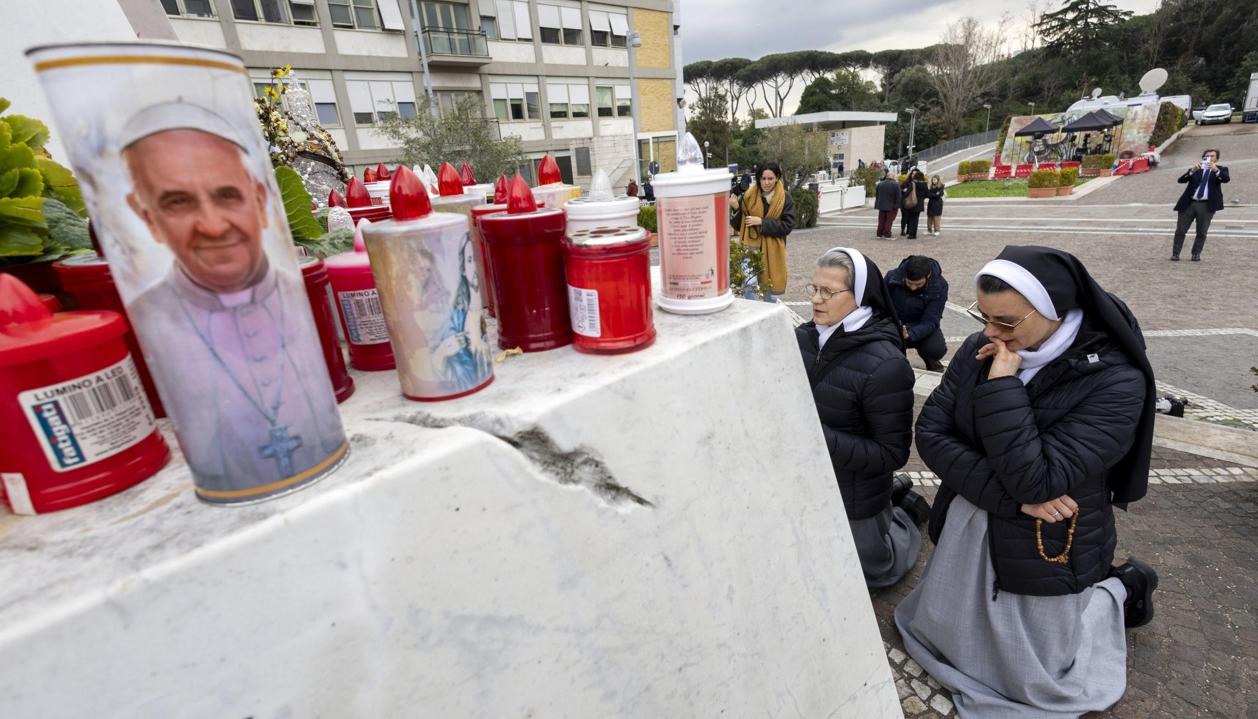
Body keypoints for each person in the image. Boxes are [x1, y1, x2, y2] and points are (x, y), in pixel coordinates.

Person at [895, 245, 1159, 717]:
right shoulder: (986, 346)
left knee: (1028, 667)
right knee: (950, 626)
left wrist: (1001, 387)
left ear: (1055, 311)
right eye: (985, 316)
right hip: (982, 516)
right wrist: (1009, 500)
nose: (991, 332)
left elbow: (1037, 481)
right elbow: (931, 434)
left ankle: (1125, 588)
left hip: (1046, 542)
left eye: (1008, 323)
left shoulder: (1117, 382)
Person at [122, 103, 346, 495]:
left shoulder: (298, 293)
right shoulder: (145, 318)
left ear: (260, 201)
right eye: (178, 202)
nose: (212, 225)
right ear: (147, 217)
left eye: (228, 195)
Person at [796, 247, 927, 588]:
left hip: (855, 493)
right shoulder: (802, 338)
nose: (816, 300)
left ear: (859, 295)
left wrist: (818, 437)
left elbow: (892, 454)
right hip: (806, 481)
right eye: (813, 289)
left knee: (874, 574)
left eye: (828, 292)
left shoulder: (886, 366)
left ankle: (901, 515)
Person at [730, 162, 795, 300]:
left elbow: (787, 226)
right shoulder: (749, 196)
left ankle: (769, 316)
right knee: (749, 284)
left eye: (770, 178)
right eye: (763, 178)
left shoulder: (785, 198)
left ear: (777, 178)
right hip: (750, 249)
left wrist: (762, 222)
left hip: (773, 251)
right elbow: (739, 226)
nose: (766, 182)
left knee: (769, 293)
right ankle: (753, 314)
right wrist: (736, 208)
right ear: (758, 179)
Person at [885, 255, 949, 372]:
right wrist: (895, 326)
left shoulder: (940, 286)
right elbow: (882, 306)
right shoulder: (892, 277)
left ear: (928, 276)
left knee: (935, 349)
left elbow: (931, 320)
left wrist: (910, 333)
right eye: (909, 283)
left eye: (918, 284)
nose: (913, 288)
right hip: (895, 323)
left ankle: (931, 360)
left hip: (921, 324)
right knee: (888, 353)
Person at [1170, 148, 1230, 261]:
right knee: (1180, 230)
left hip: (1206, 205)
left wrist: (1216, 170)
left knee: (1202, 232)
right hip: (1189, 203)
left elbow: (1226, 179)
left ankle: (1196, 253)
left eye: (1212, 156)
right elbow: (1181, 180)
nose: (1210, 158)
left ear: (1216, 158)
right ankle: (1175, 253)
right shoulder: (1196, 169)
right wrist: (1192, 171)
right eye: (1207, 156)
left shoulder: (1221, 169)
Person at [900, 168, 928, 239]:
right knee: (916, 219)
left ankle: (911, 234)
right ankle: (914, 234)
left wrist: (904, 197)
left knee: (911, 219)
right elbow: (927, 194)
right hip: (920, 205)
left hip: (912, 203)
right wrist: (921, 198)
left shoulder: (913, 184)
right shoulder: (925, 184)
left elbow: (907, 193)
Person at [874, 170, 900, 239]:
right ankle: (887, 234)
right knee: (889, 221)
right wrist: (897, 206)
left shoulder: (880, 184)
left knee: (881, 221)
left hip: (881, 205)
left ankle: (879, 234)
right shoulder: (896, 185)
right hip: (891, 206)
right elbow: (898, 197)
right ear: (893, 176)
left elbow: (877, 195)